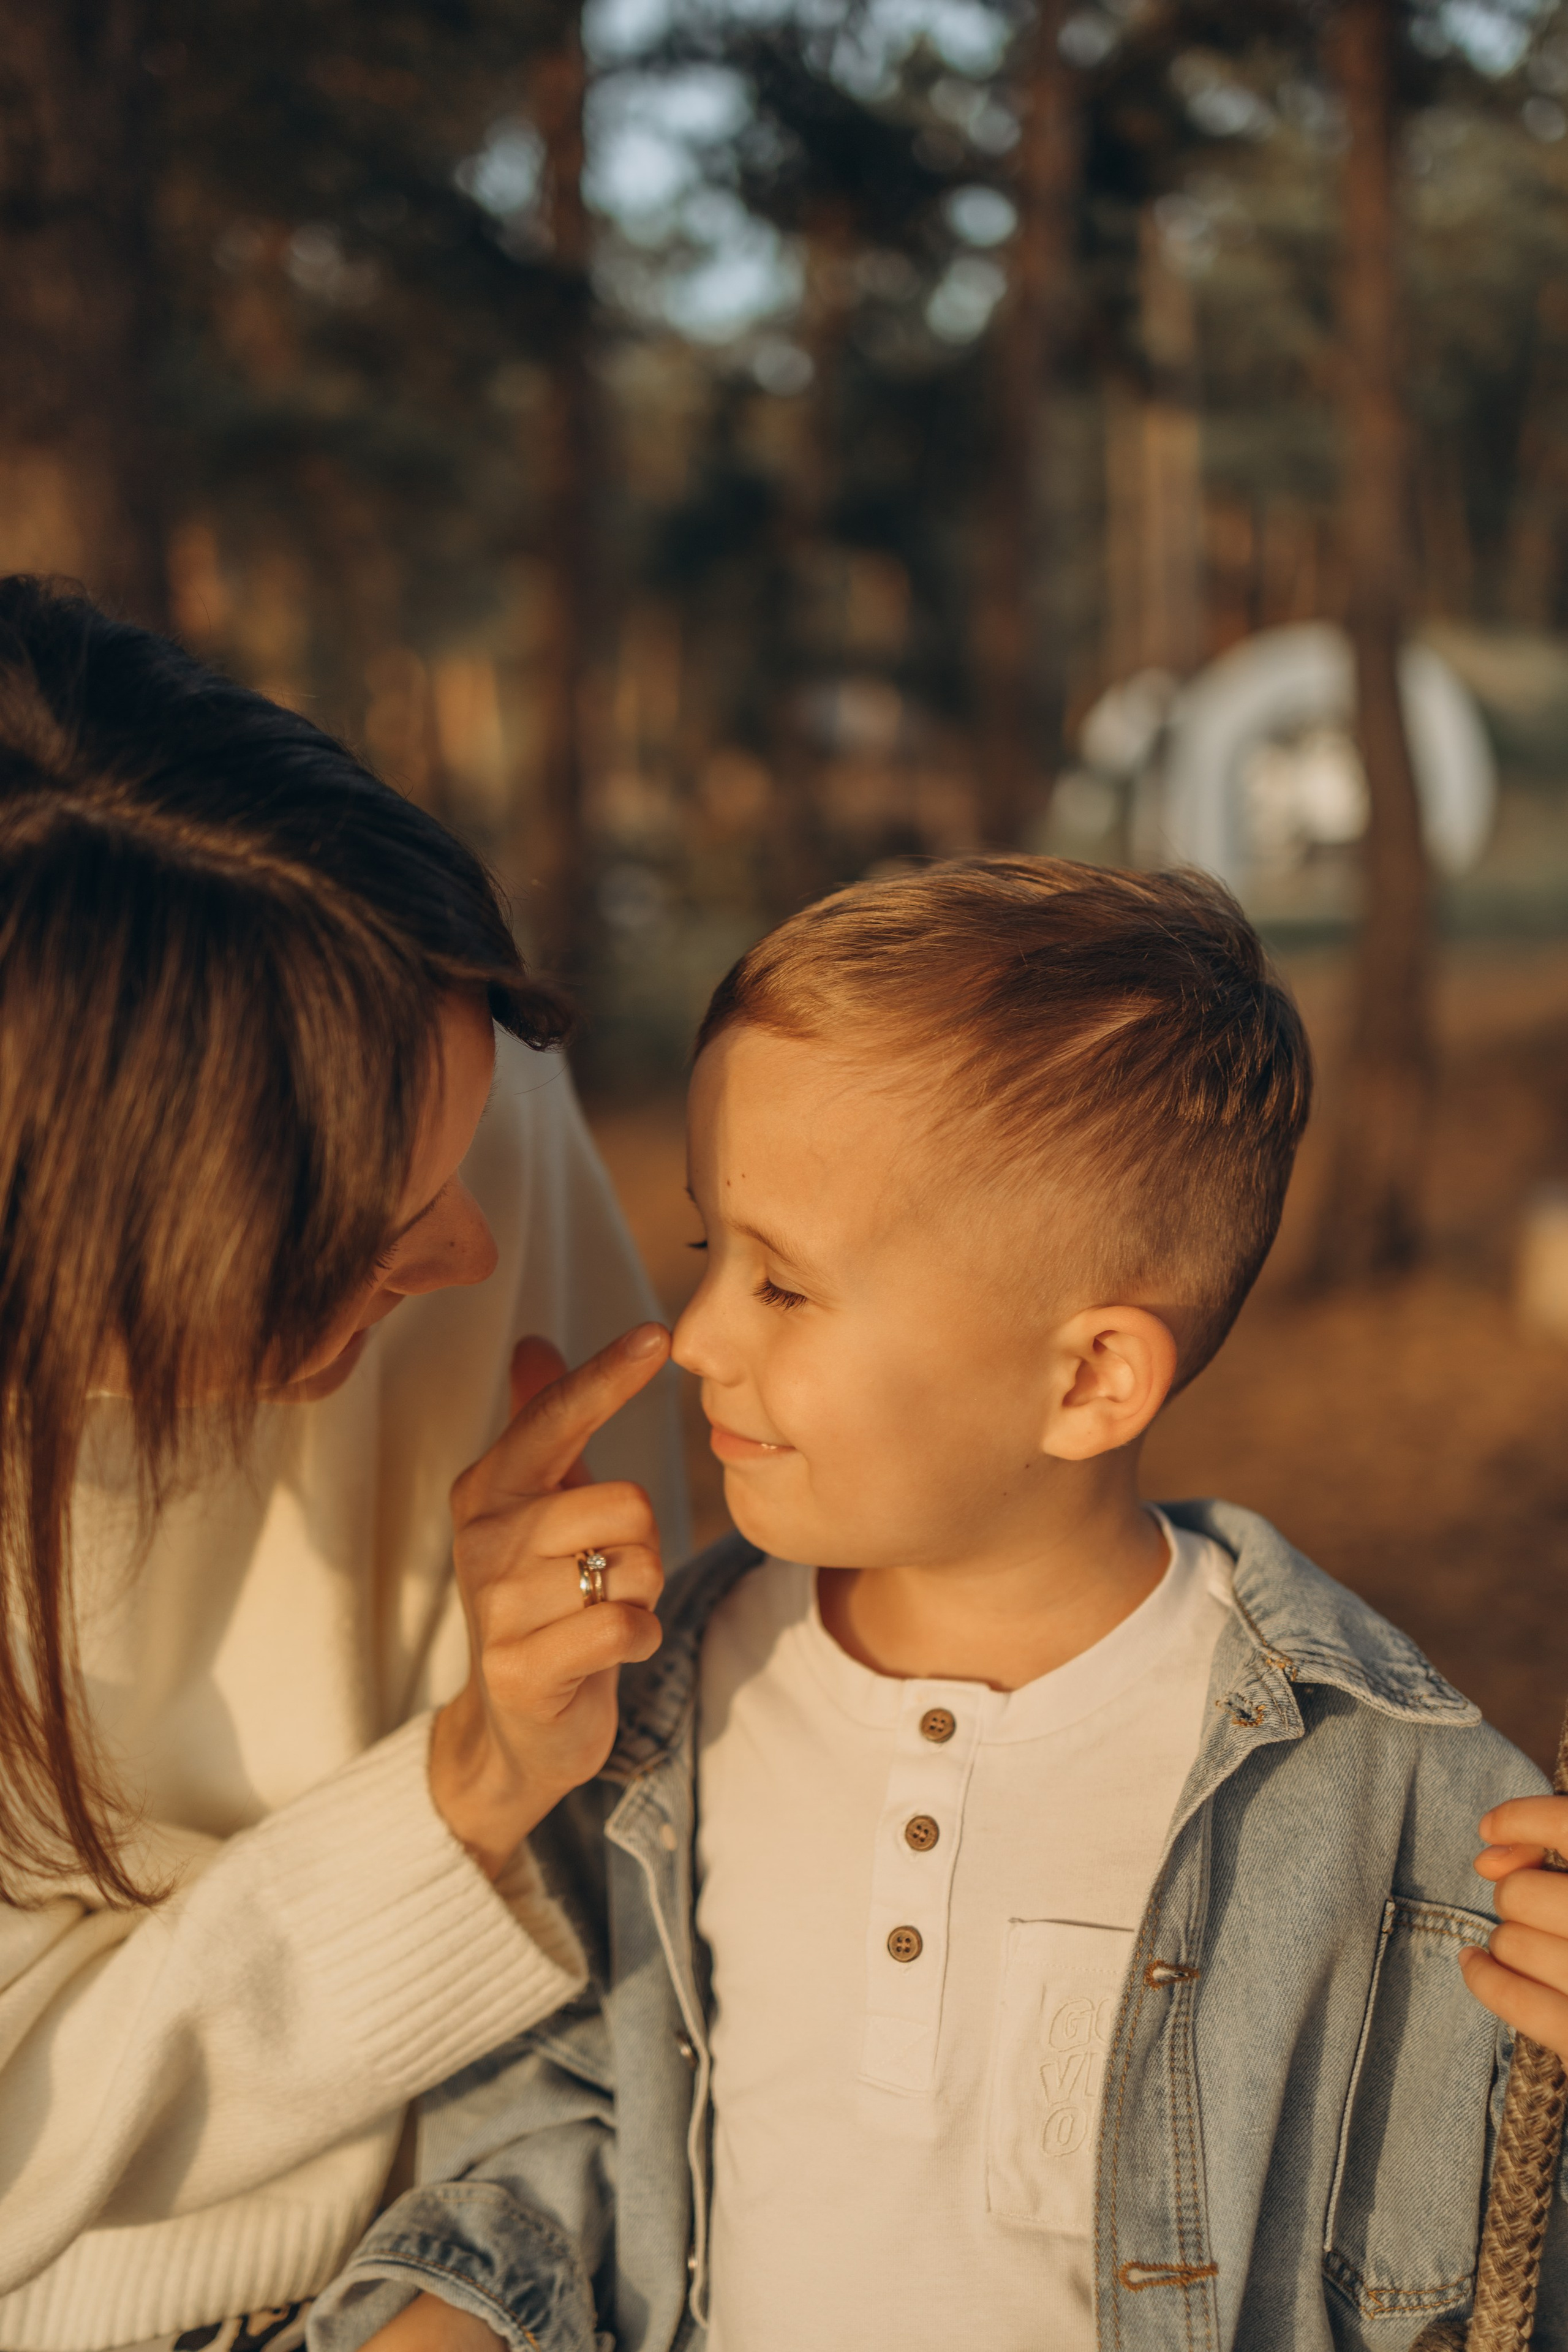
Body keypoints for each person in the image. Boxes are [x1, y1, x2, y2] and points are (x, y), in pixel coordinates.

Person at [315, 855, 1568, 2352]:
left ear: (1089, 1379)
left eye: (782, 1286)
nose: (695, 1334)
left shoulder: (1409, 1814)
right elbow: (562, 2126)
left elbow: (1494, 2255)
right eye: (712, 1250)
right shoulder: (651, 1705)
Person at [0, 576, 688, 2352]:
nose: (470, 1251)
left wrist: (466, 2284)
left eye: (467, 1148)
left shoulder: (465, 1109)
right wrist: (459, 1789)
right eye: (358, 1243)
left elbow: (659, 1926)